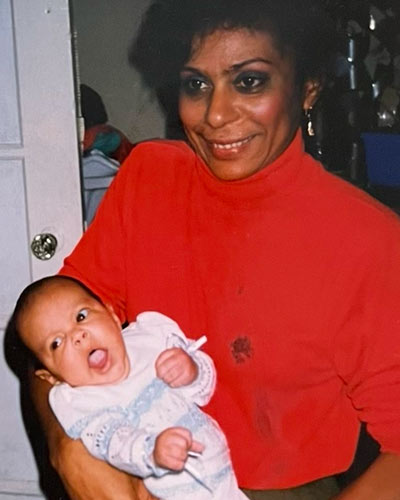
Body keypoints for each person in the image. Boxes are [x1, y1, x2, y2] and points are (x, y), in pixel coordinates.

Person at [28, 0, 400, 499]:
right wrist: (64, 447)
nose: (216, 114)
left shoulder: (367, 239)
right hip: (131, 459)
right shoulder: (148, 177)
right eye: (196, 84)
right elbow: (46, 342)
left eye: (249, 81)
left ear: (307, 87)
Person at [14, 276, 247, 500]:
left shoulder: (149, 340)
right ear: (51, 376)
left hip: (226, 481)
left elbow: (202, 390)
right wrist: (151, 452)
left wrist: (192, 370)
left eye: (81, 316)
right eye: (56, 342)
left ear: (112, 316)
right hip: (174, 492)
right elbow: (115, 444)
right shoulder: (84, 403)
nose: (77, 336)